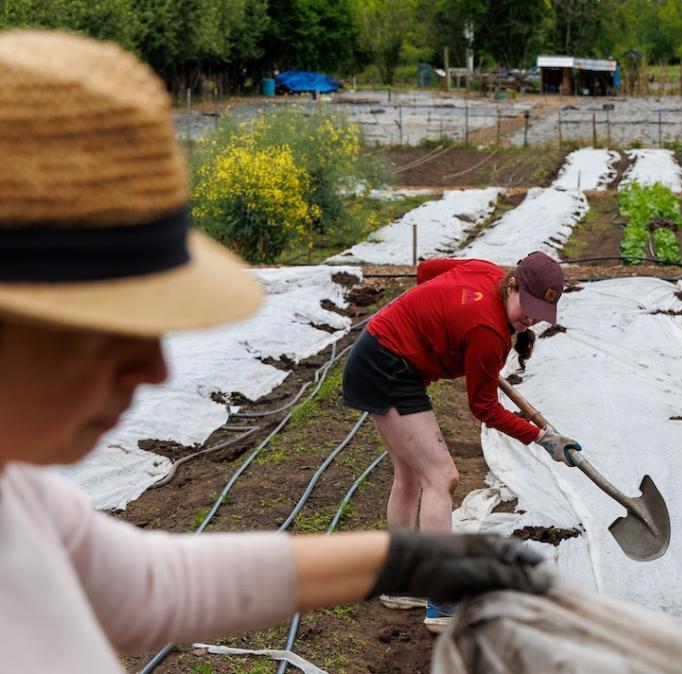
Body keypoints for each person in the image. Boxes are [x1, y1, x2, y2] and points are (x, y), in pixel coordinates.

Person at [0, 30, 549, 673]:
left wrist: (439, 560)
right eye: (109, 329)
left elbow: (156, 586)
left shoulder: (30, 505)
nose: (153, 367)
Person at [342, 252, 581, 631]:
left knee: (412, 475)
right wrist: (540, 437)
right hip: (386, 367)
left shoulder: (486, 273)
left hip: (384, 355)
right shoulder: (486, 331)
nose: (531, 318)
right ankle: (443, 601)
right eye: (528, 307)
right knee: (441, 478)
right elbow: (483, 407)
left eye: (540, 313)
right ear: (513, 285)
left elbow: (426, 271)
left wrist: (434, 324)